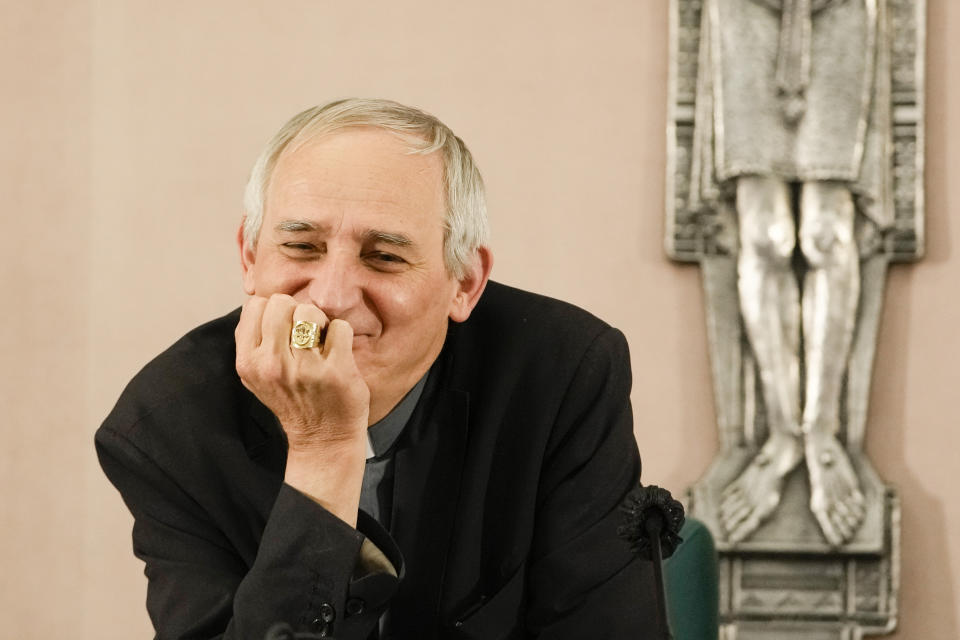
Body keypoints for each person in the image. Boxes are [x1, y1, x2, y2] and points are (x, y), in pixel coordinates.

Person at [96, 98, 661, 639]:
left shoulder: (561, 371)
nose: (333, 296)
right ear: (250, 256)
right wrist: (324, 450)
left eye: (384, 256)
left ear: (464, 283)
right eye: (301, 247)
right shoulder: (167, 425)